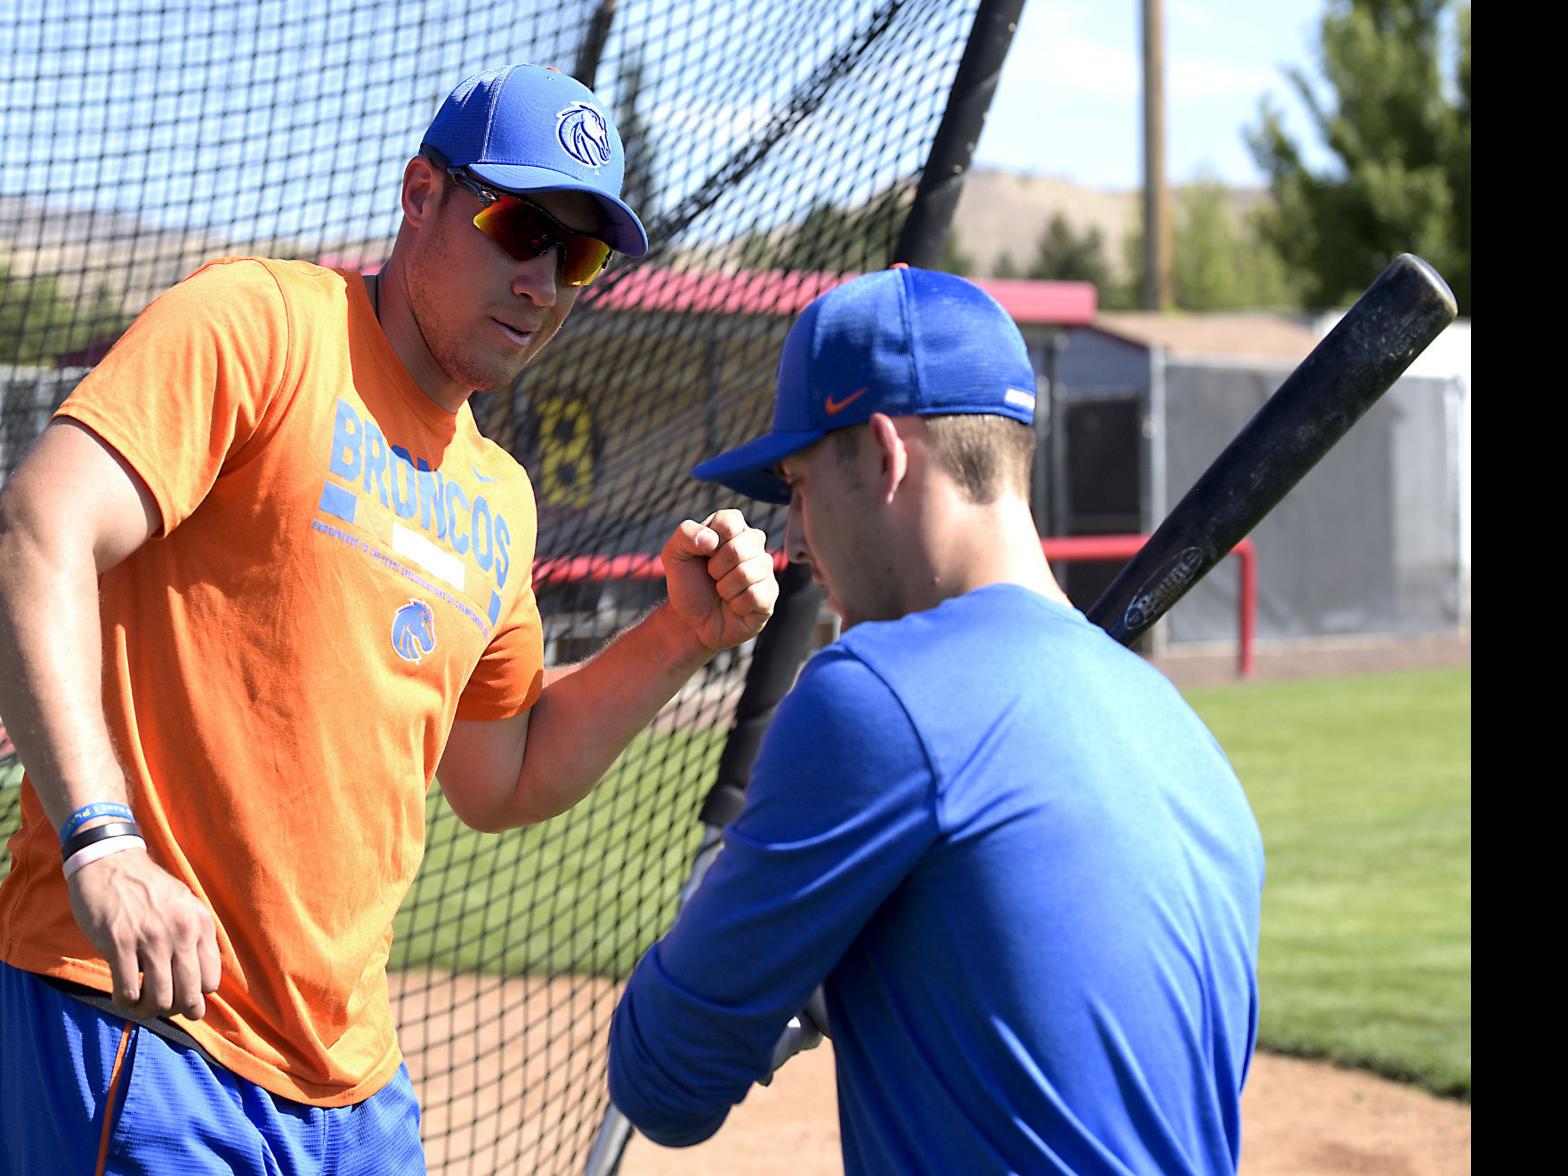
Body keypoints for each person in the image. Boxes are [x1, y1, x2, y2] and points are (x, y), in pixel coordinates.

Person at [0, 64, 777, 1172]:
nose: (543, 280)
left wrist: (676, 639)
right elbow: (37, 532)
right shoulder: (263, 324)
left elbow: (499, 776)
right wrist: (101, 840)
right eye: (520, 226)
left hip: (354, 1094)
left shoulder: (497, 495)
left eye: (580, 254)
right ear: (421, 196)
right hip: (147, 1028)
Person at [607, 265, 1266, 1174]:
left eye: (800, 485)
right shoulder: (1181, 736)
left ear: (883, 454)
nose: (796, 539)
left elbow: (662, 1083)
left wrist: (735, 935)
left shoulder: (872, 696)